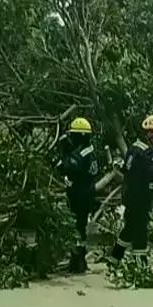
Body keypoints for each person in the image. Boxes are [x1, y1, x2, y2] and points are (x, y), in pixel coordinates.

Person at [108, 114, 153, 275]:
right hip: (140, 197)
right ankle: (141, 266)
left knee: (129, 229)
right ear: (150, 134)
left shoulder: (134, 149)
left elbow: (127, 171)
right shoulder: (147, 153)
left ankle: (114, 258)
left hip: (130, 195)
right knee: (140, 231)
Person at [59, 116, 100, 273]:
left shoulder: (81, 153)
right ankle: (78, 259)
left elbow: (66, 167)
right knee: (80, 227)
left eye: (73, 135)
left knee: (77, 227)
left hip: (79, 195)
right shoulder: (88, 151)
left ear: (80, 136)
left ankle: (78, 262)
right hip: (84, 193)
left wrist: (64, 153)